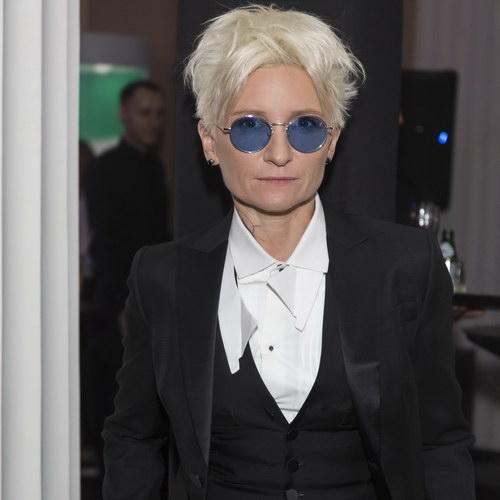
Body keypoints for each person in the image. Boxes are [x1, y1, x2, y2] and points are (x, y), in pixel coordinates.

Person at [102, 5, 475, 500]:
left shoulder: (404, 266)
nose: (279, 154)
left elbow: (439, 441)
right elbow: (134, 438)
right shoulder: (162, 276)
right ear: (210, 141)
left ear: (332, 141)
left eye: (305, 127)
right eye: (251, 127)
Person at [85, 80, 169, 319]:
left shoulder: (155, 167)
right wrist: (122, 304)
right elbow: (105, 241)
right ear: (124, 114)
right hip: (118, 299)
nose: (153, 122)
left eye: (159, 114)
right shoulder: (103, 168)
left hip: (153, 291)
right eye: (145, 113)